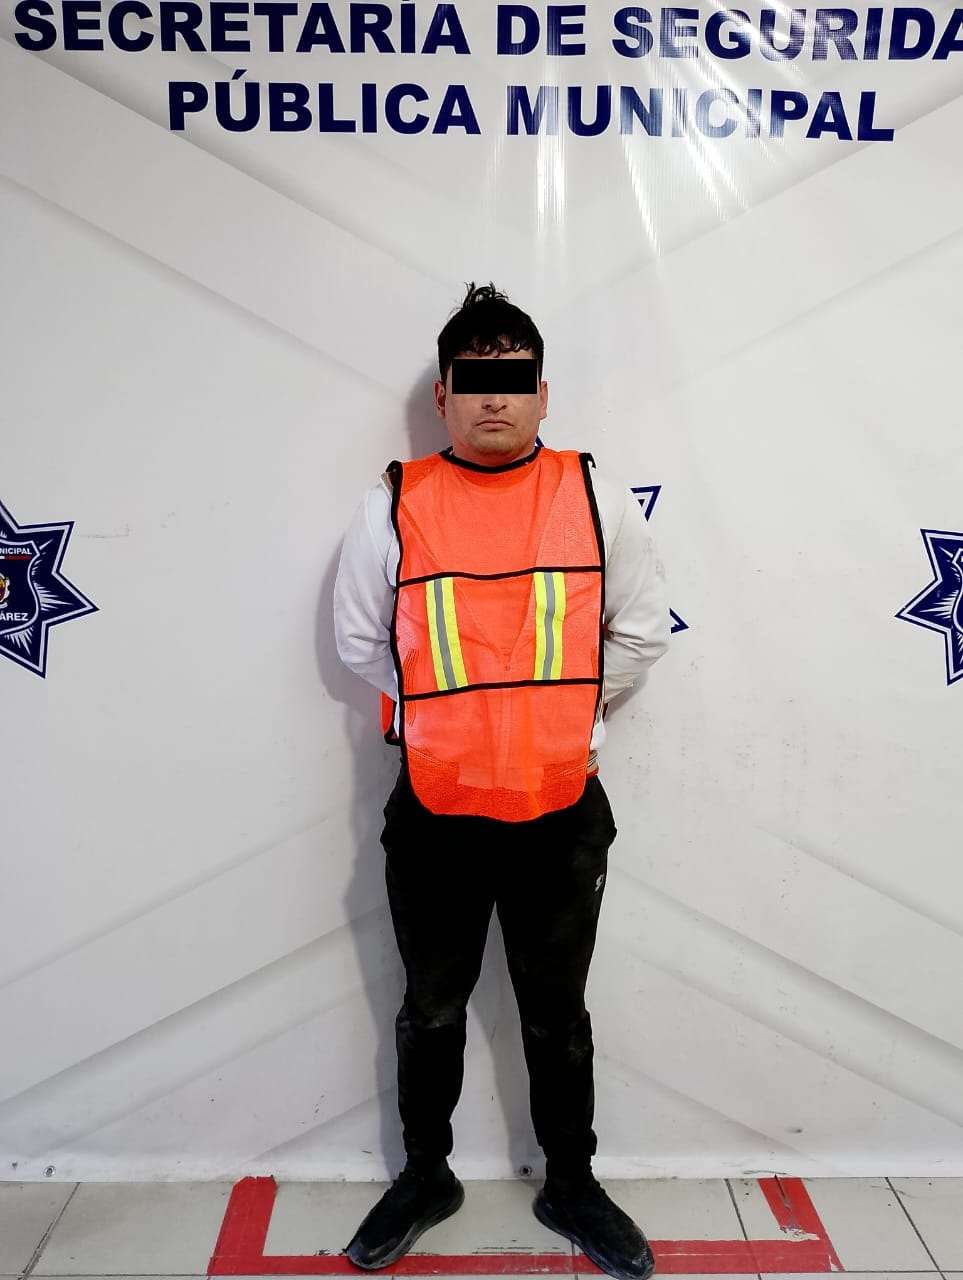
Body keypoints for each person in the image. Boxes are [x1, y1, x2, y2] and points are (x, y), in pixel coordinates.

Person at [333, 281, 671, 1280]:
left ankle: (572, 1180)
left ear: (542, 394)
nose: (495, 398)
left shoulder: (593, 496)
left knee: (557, 1015)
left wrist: (561, 716)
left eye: (513, 380)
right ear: (443, 395)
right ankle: (425, 1175)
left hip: (559, 804)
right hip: (436, 806)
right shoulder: (393, 500)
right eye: (474, 380)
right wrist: (456, 720)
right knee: (430, 1010)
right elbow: (361, 640)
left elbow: (640, 631)